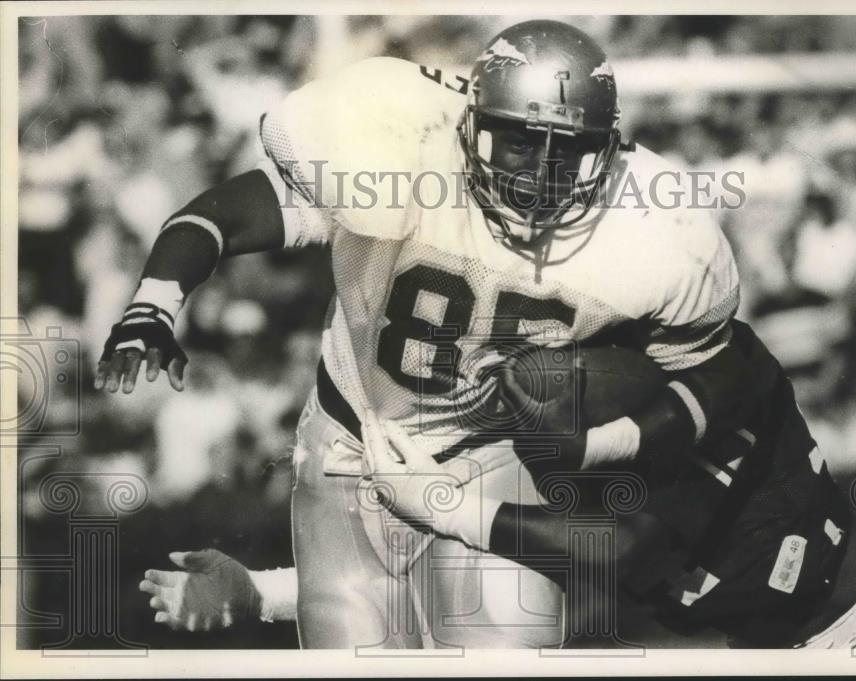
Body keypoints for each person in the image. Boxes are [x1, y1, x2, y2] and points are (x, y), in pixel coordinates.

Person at [101, 20, 739, 648]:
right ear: (472, 124)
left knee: (503, 655)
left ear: (608, 147)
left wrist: (602, 444)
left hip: (495, 449)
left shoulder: (661, 230)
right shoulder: (402, 147)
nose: (540, 173)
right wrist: (154, 302)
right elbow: (227, 213)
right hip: (353, 444)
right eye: (518, 142)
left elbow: (702, 375)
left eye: (567, 149)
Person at [141, 320, 856, 650]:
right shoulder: (602, 488)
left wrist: (449, 504)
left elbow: (622, 546)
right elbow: (476, 575)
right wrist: (257, 591)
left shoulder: (735, 418)